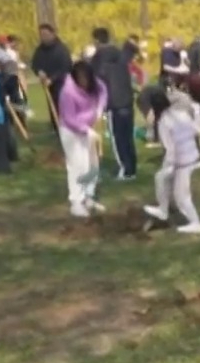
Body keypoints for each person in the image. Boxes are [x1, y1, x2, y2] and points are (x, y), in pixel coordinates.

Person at [143, 88, 200, 234]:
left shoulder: (164, 123)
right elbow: (196, 129)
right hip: (193, 156)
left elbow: (170, 150)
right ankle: (163, 209)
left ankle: (196, 223)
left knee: (181, 196)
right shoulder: (181, 113)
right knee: (160, 178)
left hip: (182, 162)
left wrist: (168, 165)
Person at [57, 61, 109, 218]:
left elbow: (103, 91)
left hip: (90, 127)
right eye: (81, 79)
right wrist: (86, 130)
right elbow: (69, 118)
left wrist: (100, 109)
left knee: (93, 164)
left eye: (86, 78)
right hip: (72, 132)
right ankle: (76, 202)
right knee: (78, 165)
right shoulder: (67, 92)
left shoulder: (96, 83)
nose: (84, 82)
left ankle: (88, 196)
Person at [90, 27, 139, 180]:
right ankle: (132, 167)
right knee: (128, 136)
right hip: (127, 100)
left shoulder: (98, 59)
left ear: (96, 41)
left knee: (118, 138)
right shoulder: (120, 54)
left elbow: (96, 80)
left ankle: (125, 170)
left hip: (113, 102)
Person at [30, 23, 73, 132]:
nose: (43, 37)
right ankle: (56, 129)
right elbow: (35, 63)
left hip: (62, 83)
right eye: (41, 35)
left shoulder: (61, 49)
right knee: (52, 105)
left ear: (52, 34)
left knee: (62, 106)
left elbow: (65, 66)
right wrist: (38, 71)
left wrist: (52, 78)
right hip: (48, 84)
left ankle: (66, 128)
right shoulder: (39, 49)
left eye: (45, 34)